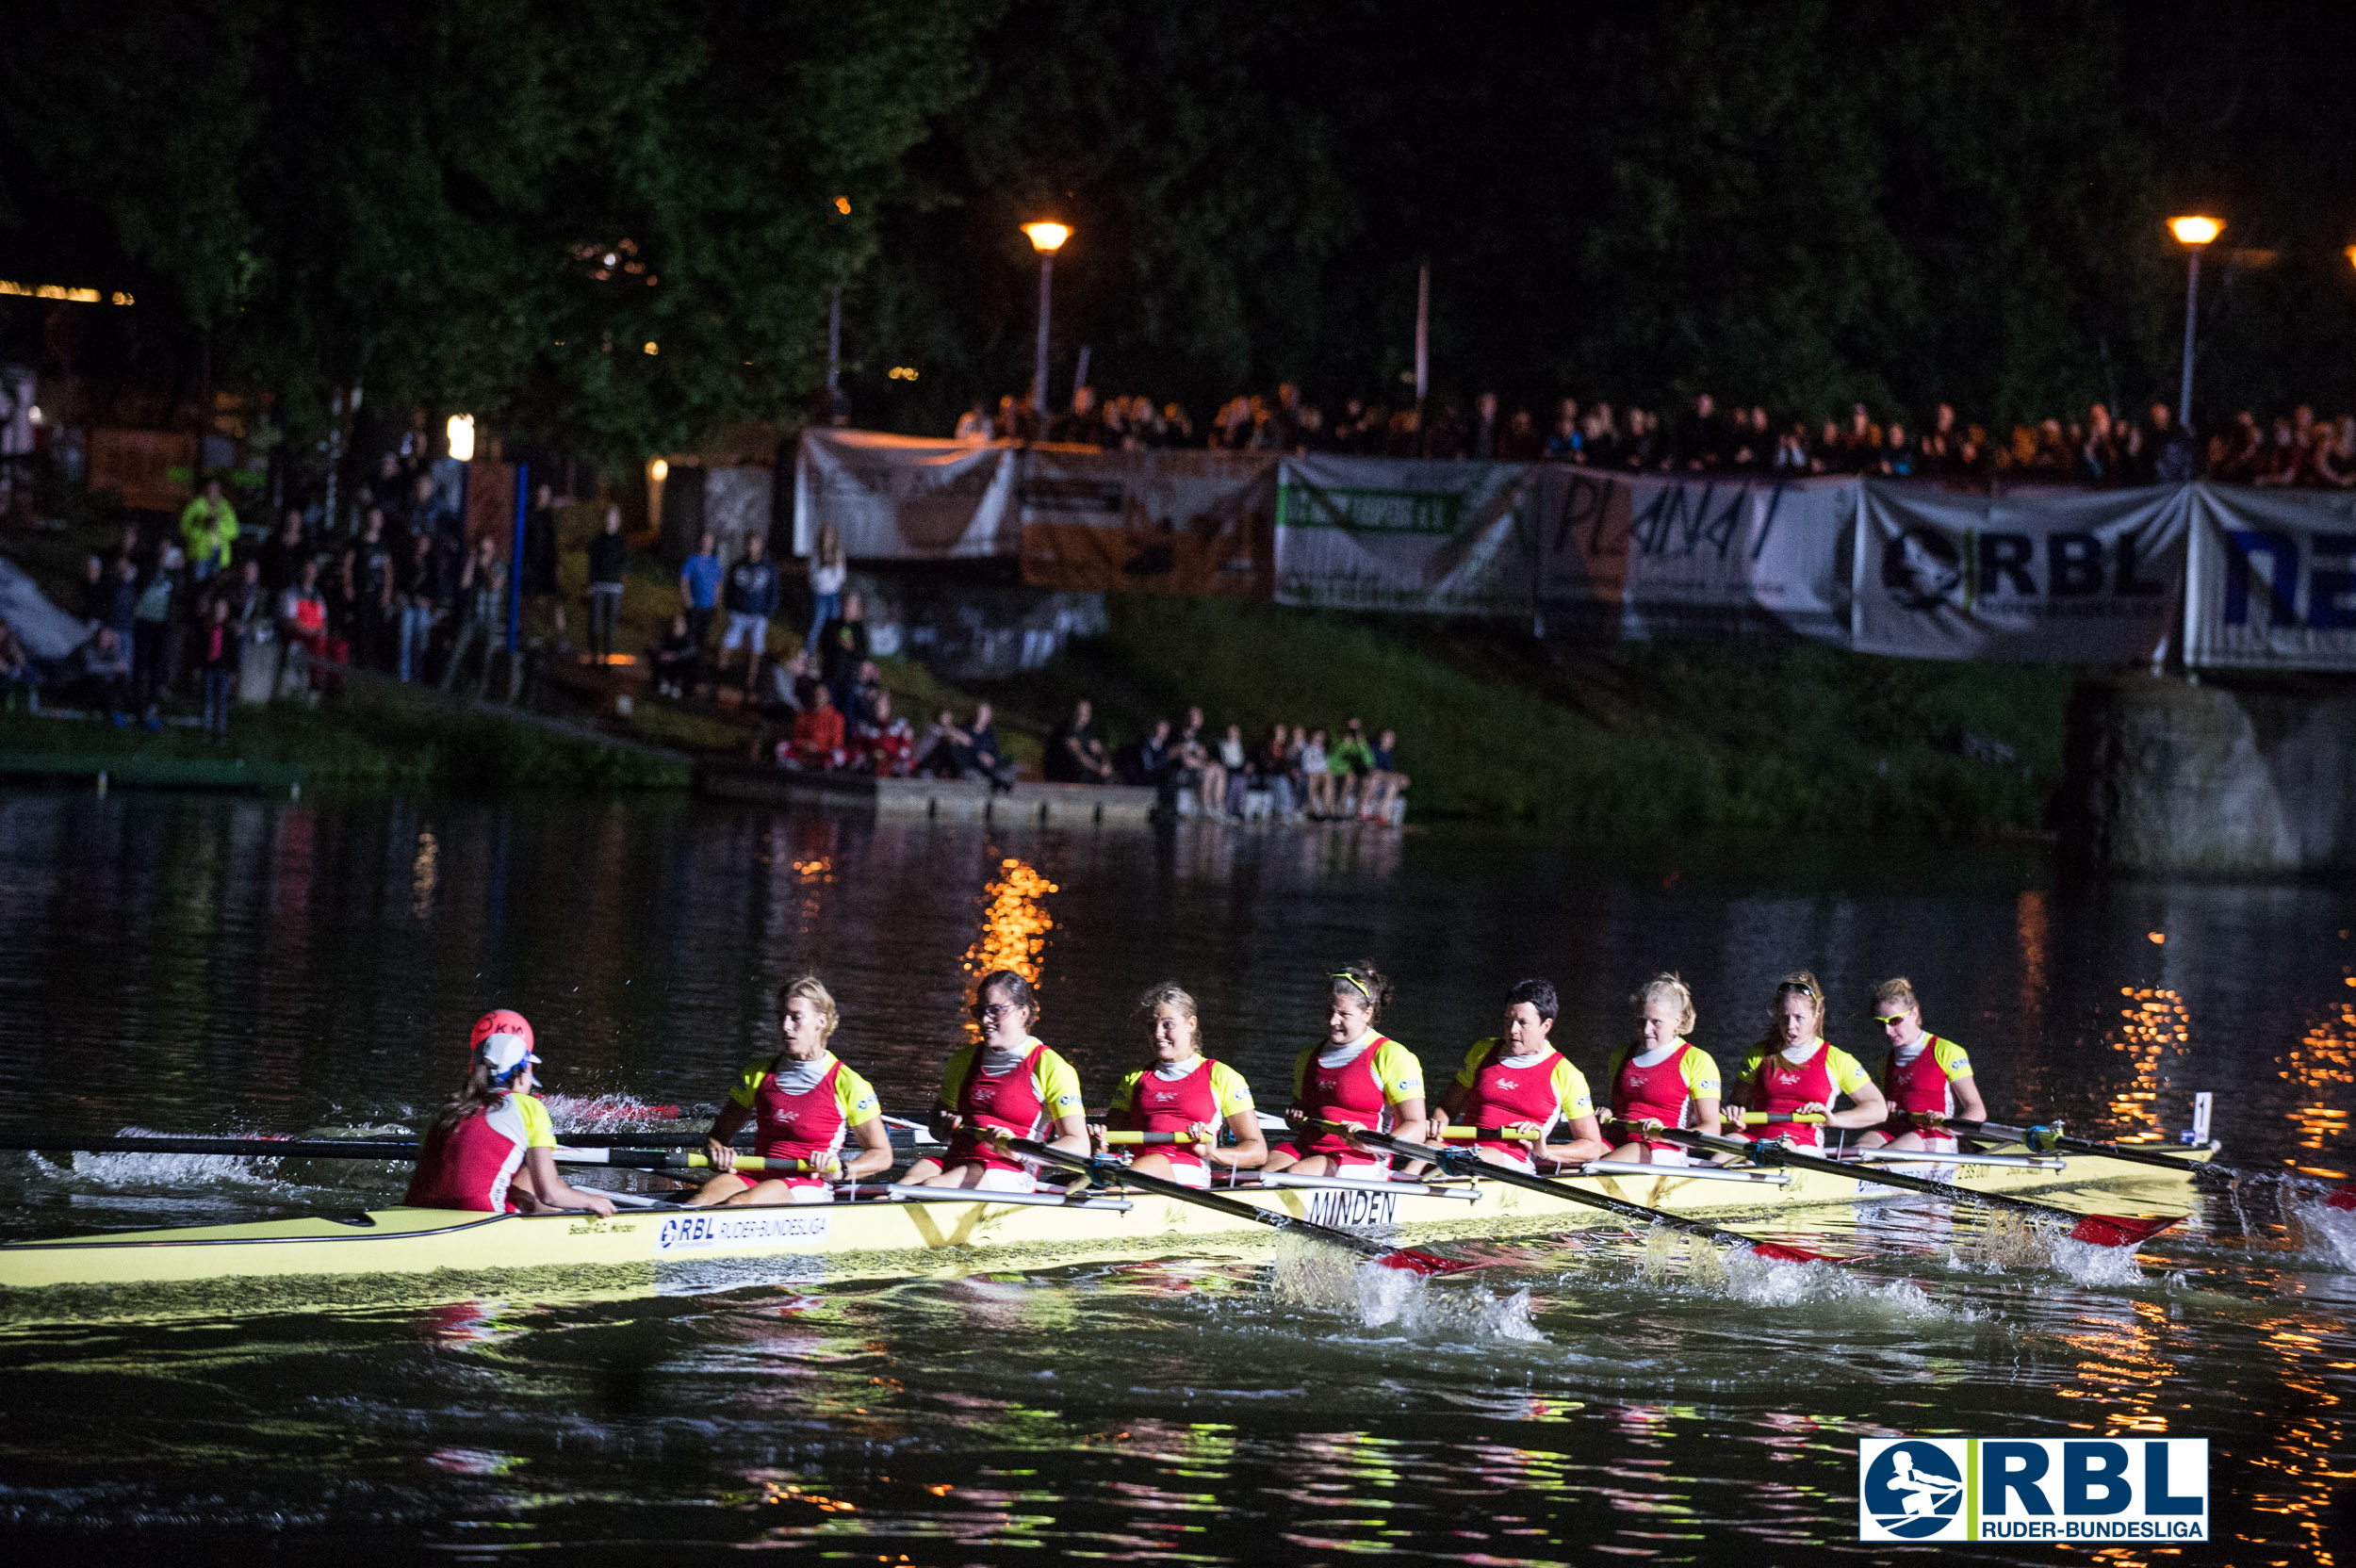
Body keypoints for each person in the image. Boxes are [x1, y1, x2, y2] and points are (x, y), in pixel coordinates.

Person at [685, 977, 894, 1206]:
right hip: (756, 1175)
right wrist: (719, 1151)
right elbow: (717, 1137)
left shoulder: (848, 1083)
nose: (785, 1026)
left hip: (809, 1182)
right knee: (699, 1202)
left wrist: (842, 1169)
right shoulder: (759, 1073)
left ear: (820, 1022)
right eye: (781, 1016)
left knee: (738, 1203)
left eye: (795, 1018)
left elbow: (882, 1155)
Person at [404, 1010, 616, 1217]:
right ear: (521, 1075)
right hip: (481, 1218)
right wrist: (591, 1200)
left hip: (412, 1212)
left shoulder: (451, 1106)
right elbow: (549, 1193)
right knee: (534, 1176)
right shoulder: (529, 1107)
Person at [899, 969, 1088, 1191]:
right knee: (904, 1185)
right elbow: (937, 1130)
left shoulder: (1051, 1067)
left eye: (996, 1010)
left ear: (1023, 1013)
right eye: (979, 1011)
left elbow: (1079, 1146)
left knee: (933, 1185)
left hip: (1011, 1172)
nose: (984, 1019)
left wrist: (1020, 1151)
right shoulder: (964, 1060)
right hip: (957, 1164)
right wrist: (943, 1125)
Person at [1088, 982, 1267, 1187]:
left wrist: (1213, 1153)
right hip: (1135, 1171)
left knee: (1152, 1164)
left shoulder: (1221, 1076)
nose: (1157, 1033)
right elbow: (1109, 1138)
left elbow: (1258, 1152)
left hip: (1187, 1178)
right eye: (1151, 1025)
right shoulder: (1134, 1079)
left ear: (1191, 1024)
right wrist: (1099, 1144)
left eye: (1167, 1024)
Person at [1262, 961, 1427, 1175]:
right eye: (1329, 1011)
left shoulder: (1392, 1055)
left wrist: (1372, 1143)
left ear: (1367, 1014)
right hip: (1308, 1149)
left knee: (1296, 1173)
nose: (1332, 1021)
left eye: (1343, 1014)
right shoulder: (1308, 1056)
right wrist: (1295, 1117)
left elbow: (1417, 1128)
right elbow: (1302, 1109)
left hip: (1362, 1157)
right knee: (1263, 1174)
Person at [1432, 979, 1607, 1173]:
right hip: (1456, 1153)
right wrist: (1436, 1127)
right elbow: (1448, 1107)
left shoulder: (1566, 1074)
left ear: (1545, 1026)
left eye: (1523, 1023)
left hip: (1510, 1161)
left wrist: (1545, 1151)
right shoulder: (1483, 1051)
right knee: (1420, 1146)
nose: (1512, 1029)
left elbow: (1591, 1147)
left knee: (1478, 1157)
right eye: (1508, 1021)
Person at [1727, 971, 1888, 1149]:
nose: (1790, 1026)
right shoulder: (1757, 1054)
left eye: (1799, 1018)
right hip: (1754, 1141)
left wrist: (1834, 1119)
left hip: (1802, 1145)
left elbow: (1878, 1109)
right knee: (1732, 1141)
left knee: (1781, 1147)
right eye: (1784, 1017)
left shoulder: (1837, 1059)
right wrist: (1734, 1117)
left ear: (1816, 1015)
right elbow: (1736, 1106)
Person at [1602, 973, 1725, 1164]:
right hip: (1618, 1145)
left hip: (1664, 1149)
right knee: (1570, 1164)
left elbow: (1711, 1129)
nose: (1646, 1030)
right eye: (1641, 1021)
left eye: (1656, 1022)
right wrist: (1605, 1115)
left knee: (1590, 1168)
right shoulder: (1620, 1056)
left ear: (1677, 1020)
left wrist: (1664, 1135)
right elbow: (1621, 1110)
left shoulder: (1697, 1060)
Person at [1856, 978, 1986, 1152]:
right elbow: (1878, 1111)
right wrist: (1883, 1107)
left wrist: (1949, 1128)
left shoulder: (1946, 1051)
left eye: (1894, 1021)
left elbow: (1977, 1110)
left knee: (1889, 1154)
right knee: (1856, 1151)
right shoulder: (1884, 1063)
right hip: (1897, 1132)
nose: (1887, 1031)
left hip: (1936, 1134)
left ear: (1914, 1013)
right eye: (1881, 1023)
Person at [443, 536, 509, 696]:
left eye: (486, 550)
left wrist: (485, 567)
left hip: (490, 619)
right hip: (473, 617)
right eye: (482, 549)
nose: (483, 552)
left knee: (485, 657)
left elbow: (494, 586)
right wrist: (472, 560)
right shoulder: (475, 564)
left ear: (492, 551)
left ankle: (479, 692)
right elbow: (464, 584)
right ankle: (444, 686)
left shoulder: (499, 567)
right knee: (457, 651)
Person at [720, 531, 778, 696]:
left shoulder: (768, 568)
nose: (751, 546)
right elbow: (729, 589)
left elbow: (773, 593)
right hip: (738, 614)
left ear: (760, 545)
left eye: (754, 543)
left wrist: (766, 613)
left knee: (755, 648)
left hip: (758, 615)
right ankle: (719, 680)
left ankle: (749, 685)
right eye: (749, 543)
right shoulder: (738, 566)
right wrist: (729, 607)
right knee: (726, 644)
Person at [396, 530, 446, 681]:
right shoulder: (408, 561)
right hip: (409, 605)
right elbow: (403, 583)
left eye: (424, 543)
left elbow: (436, 587)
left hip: (423, 607)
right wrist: (412, 597)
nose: (421, 546)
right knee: (405, 640)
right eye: (419, 542)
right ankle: (403, 675)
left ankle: (417, 676)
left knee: (420, 642)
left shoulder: (432, 564)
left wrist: (428, 600)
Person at [813, 590, 871, 712]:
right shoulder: (831, 624)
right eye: (845, 604)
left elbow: (864, 654)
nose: (847, 608)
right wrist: (836, 642)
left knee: (846, 712)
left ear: (856, 608)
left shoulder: (860, 630)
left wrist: (852, 648)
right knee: (828, 710)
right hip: (830, 675)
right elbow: (823, 648)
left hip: (849, 679)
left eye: (850, 605)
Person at [521, 482, 565, 636]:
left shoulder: (548, 517)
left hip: (546, 565)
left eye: (546, 495)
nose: (543, 497)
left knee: (555, 600)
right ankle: (525, 632)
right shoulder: (527, 514)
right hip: (530, 565)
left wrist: (555, 565)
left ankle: (560, 636)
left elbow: (552, 542)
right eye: (541, 494)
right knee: (528, 599)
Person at [585, 504, 628, 660]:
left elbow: (623, 562)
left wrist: (617, 577)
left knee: (610, 624)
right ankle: (594, 655)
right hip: (599, 586)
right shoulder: (599, 539)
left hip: (614, 587)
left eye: (614, 516)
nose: (611, 519)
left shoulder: (621, 541)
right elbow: (592, 562)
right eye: (609, 516)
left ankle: (607, 657)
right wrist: (591, 582)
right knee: (595, 622)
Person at [178, 477, 239, 582]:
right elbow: (184, 528)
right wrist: (203, 527)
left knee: (215, 585)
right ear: (206, 488)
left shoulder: (225, 507)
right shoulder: (196, 506)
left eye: (216, 487)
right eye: (211, 487)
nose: (213, 490)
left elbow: (234, 531)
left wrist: (218, 526)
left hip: (219, 554)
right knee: (198, 584)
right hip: (200, 553)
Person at [1046, 698, 1116, 784]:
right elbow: (1080, 756)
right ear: (1074, 712)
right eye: (1080, 711)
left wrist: (1106, 763)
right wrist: (1099, 769)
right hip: (1064, 777)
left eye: (1086, 711)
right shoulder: (1067, 730)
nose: (1083, 714)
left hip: (1087, 776)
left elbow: (1101, 749)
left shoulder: (1088, 731)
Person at [679, 531, 723, 664]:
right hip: (694, 607)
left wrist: (717, 601)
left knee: (703, 638)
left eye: (710, 540)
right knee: (691, 637)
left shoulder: (715, 562)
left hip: (709, 607)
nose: (707, 543)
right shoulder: (693, 560)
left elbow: (718, 583)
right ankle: (688, 664)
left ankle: (699, 666)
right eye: (705, 540)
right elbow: (684, 580)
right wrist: (687, 599)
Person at [196, 596, 237, 741]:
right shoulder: (207, 628)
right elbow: (201, 650)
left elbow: (233, 652)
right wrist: (200, 667)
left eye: (222, 609)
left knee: (222, 701)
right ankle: (206, 730)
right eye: (217, 608)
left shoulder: (229, 630)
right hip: (209, 668)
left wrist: (232, 671)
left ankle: (221, 731)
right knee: (208, 700)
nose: (219, 611)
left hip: (223, 669)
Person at [783, 681, 847, 770]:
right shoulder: (802, 715)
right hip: (804, 752)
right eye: (814, 695)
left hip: (824, 753)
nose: (817, 698)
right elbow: (796, 738)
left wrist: (818, 747)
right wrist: (805, 745)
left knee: (839, 755)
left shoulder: (837, 717)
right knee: (782, 748)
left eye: (820, 695)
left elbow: (837, 742)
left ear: (827, 697)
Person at [807, 524, 847, 658]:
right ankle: (809, 655)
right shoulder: (816, 555)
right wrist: (824, 565)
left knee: (835, 627)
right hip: (820, 595)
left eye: (830, 536)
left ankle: (833, 654)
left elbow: (841, 579)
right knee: (816, 626)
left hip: (834, 595)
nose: (828, 539)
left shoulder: (839, 554)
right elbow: (813, 579)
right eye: (825, 536)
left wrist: (837, 565)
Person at [855, 688, 915, 776]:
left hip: (894, 765)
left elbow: (906, 750)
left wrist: (887, 755)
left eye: (882, 704)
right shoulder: (865, 726)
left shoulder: (901, 725)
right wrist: (871, 755)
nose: (879, 707)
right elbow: (858, 747)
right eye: (875, 704)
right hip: (871, 765)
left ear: (889, 706)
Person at [963, 699, 1018, 789]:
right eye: (983, 712)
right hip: (974, 767)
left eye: (987, 712)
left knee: (1012, 767)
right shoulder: (966, 730)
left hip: (991, 766)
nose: (985, 715)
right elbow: (965, 752)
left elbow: (996, 752)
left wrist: (992, 759)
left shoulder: (990, 732)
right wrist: (980, 756)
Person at [1327, 718, 1375, 816]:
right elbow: (1333, 761)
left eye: (1357, 726)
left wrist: (1363, 746)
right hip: (1340, 770)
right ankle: (1340, 809)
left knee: (1367, 781)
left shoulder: (1361, 741)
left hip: (1357, 770)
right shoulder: (1339, 739)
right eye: (1352, 726)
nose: (1354, 729)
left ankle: (1358, 813)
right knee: (1350, 778)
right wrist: (1344, 745)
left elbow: (1369, 761)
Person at [651, 612, 702, 699]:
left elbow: (692, 651)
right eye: (675, 624)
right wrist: (661, 652)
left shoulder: (688, 638)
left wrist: (675, 655)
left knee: (687, 664)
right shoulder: (668, 636)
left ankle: (678, 688)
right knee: (658, 659)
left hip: (681, 665)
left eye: (680, 623)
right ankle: (663, 684)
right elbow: (658, 645)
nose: (677, 626)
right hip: (668, 664)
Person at [1365, 727, 1409, 824]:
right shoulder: (1374, 750)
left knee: (1393, 785)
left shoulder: (1389, 753)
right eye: (1389, 737)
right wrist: (1397, 776)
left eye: (1393, 738)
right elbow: (1375, 772)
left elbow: (1389, 773)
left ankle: (1384, 815)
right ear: (1382, 738)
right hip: (1371, 782)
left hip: (1382, 783)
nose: (1392, 741)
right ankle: (1366, 811)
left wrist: (1399, 778)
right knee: (1376, 779)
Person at [1299, 727, 1333, 817]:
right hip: (1309, 772)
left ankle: (1327, 809)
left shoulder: (1324, 749)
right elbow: (1305, 764)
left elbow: (1326, 765)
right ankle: (1312, 809)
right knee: (1312, 779)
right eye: (1318, 735)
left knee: (1329, 777)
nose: (1320, 738)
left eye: (1322, 736)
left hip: (1321, 772)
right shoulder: (1305, 746)